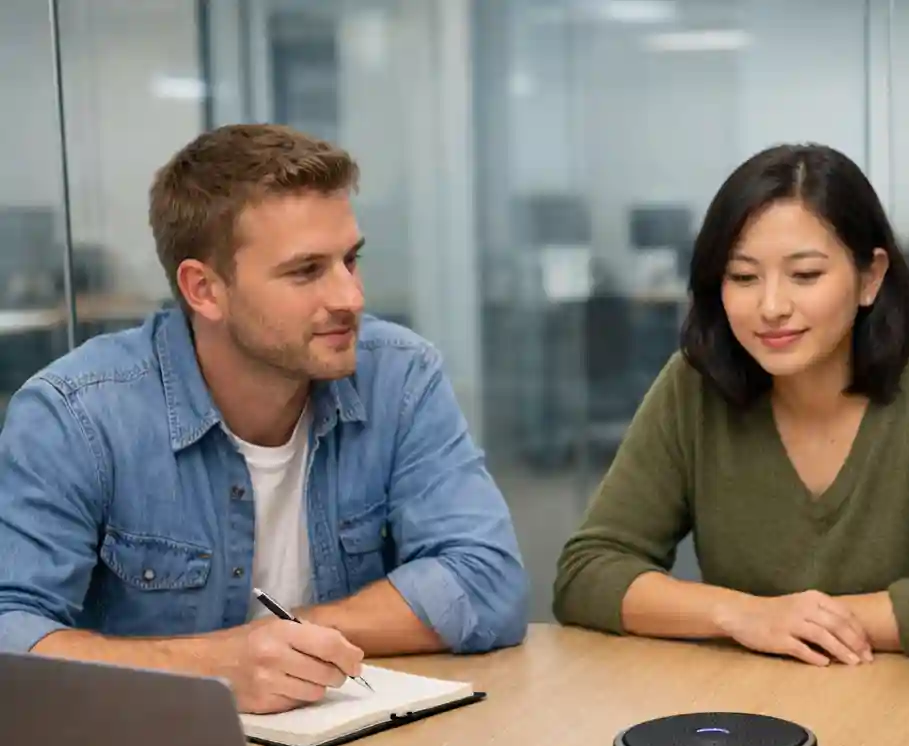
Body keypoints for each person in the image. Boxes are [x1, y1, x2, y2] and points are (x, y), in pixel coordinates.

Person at [0, 124, 528, 714]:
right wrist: (215, 667)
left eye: (350, 260)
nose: (350, 297)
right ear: (205, 290)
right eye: (306, 271)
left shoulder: (399, 376)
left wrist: (289, 637)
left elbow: (488, 582)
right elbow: (10, 633)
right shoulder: (77, 415)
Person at [554, 143, 909, 664]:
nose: (771, 307)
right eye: (743, 277)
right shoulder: (694, 387)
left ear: (870, 277)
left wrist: (804, 623)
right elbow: (588, 573)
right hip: (754, 717)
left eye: (806, 275)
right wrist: (741, 614)